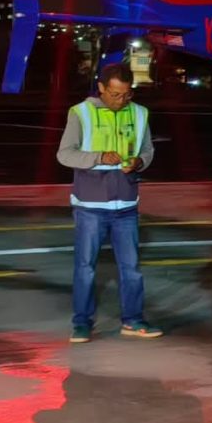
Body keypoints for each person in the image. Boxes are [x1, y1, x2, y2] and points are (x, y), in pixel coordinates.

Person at [57, 62, 161, 344]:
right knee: (85, 268)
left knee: (132, 269)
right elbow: (65, 155)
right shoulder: (81, 113)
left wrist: (139, 162)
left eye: (126, 94)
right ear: (101, 88)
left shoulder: (140, 113)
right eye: (115, 94)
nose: (121, 100)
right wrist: (99, 157)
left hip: (126, 205)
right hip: (90, 206)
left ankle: (133, 320)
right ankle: (81, 323)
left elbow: (148, 150)